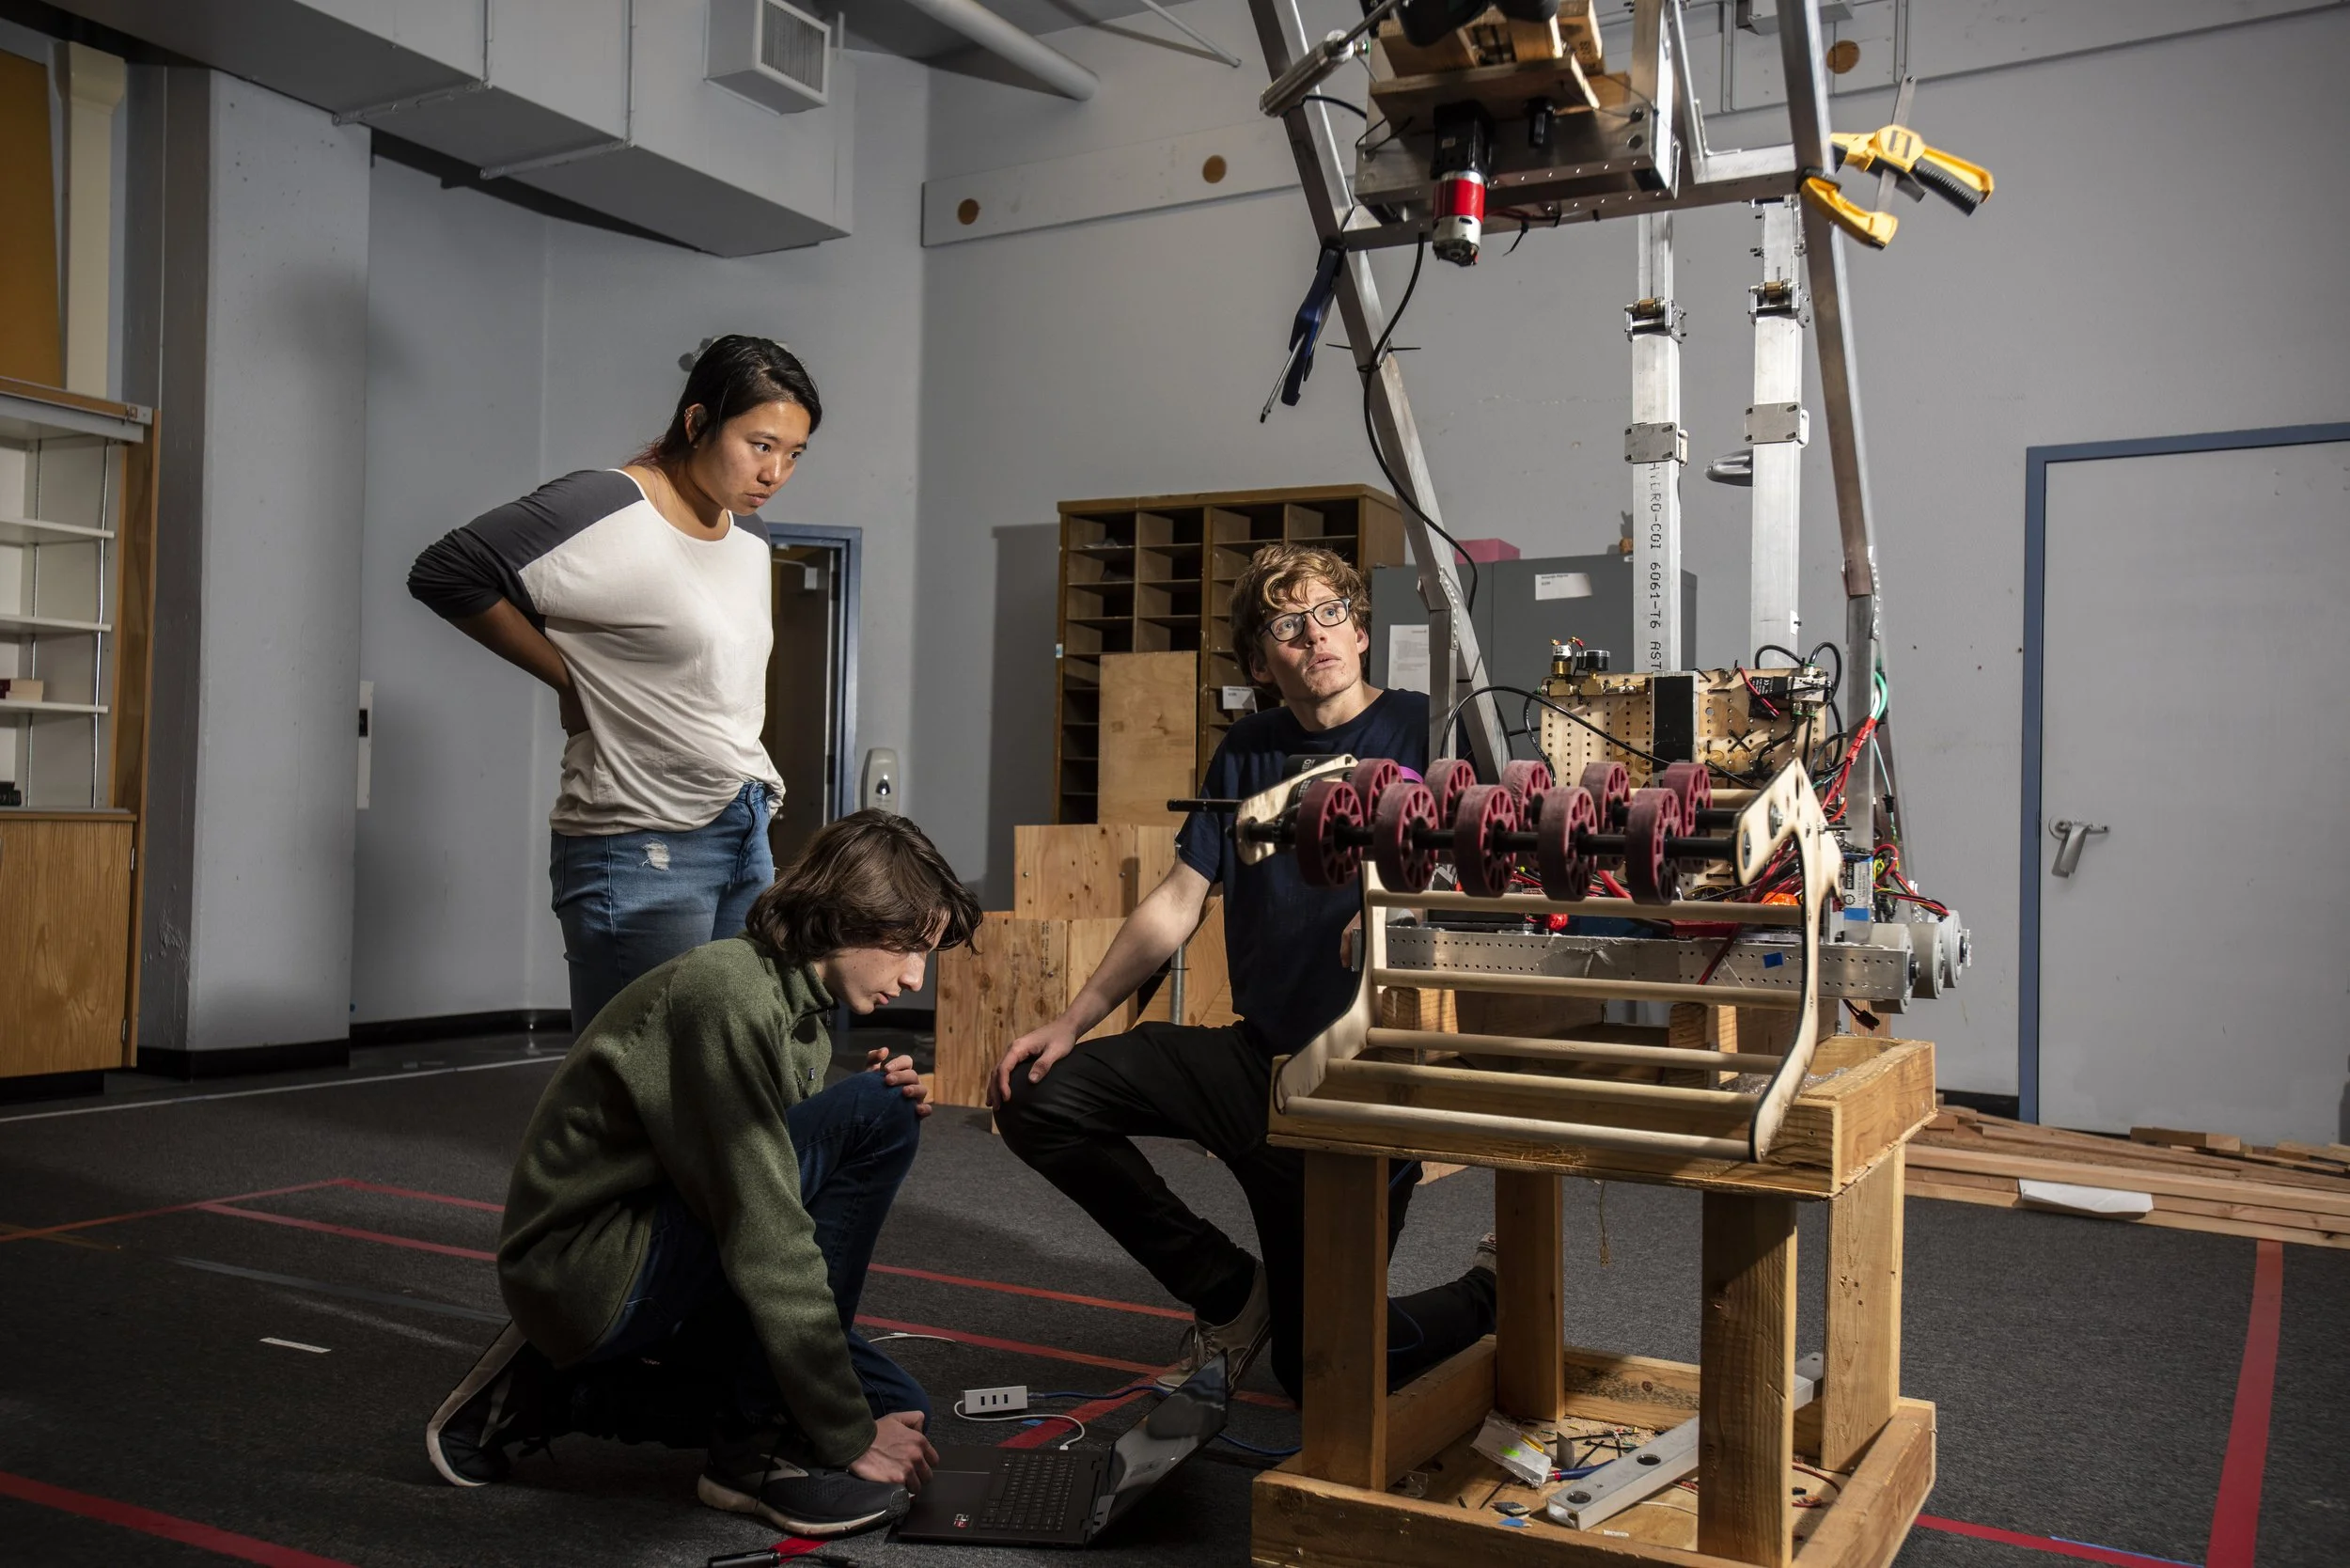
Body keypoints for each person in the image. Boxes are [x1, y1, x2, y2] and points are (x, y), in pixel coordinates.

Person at [989, 543, 1494, 1403]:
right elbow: (1179, 900)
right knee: (1038, 1094)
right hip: (1253, 1064)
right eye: (1288, 626)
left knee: (1319, 1372)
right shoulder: (1249, 748)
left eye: (1330, 612)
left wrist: (1394, 920)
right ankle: (1234, 1291)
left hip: (1363, 1084)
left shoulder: (1430, 727)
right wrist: (1074, 1019)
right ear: (1261, 662)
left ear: (1361, 631)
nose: (1315, 636)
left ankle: (1489, 1294)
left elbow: (1486, 875)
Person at [424, 810, 983, 1539]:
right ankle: (752, 1446)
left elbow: (776, 1194)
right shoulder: (727, 992)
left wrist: (850, 1421)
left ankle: (562, 1394)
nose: (915, 978)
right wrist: (842, 1434)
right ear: (847, 915)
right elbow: (767, 1231)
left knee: (900, 1407)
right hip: (588, 1266)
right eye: (908, 948)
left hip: (669, 1244)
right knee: (881, 1121)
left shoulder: (801, 1019)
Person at [408, 335, 819, 1031]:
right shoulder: (604, 504)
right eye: (760, 444)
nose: (775, 471)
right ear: (696, 424)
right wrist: (569, 678)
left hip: (741, 822)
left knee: (722, 1062)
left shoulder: (750, 537)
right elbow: (445, 572)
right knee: (638, 1080)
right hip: (639, 836)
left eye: (793, 454)